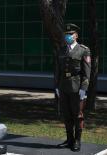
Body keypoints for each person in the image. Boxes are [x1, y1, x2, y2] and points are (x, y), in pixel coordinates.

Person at [56, 23, 91, 152]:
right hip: (63, 87)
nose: (68, 36)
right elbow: (58, 70)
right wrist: (57, 86)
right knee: (67, 115)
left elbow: (87, 71)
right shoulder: (61, 50)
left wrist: (84, 88)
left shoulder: (83, 50)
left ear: (76, 35)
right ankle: (69, 139)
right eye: (66, 34)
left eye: (70, 34)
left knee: (78, 115)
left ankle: (77, 140)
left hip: (77, 87)